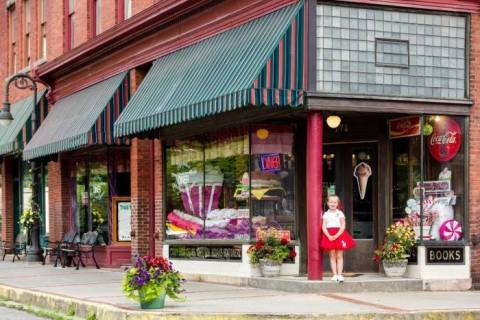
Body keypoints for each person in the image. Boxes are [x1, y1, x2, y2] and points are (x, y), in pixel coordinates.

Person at [320, 195, 356, 282]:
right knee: (332, 255)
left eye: (335, 202)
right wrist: (329, 236)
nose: (333, 204)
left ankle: (340, 274)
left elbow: (343, 226)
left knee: (339, 255)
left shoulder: (340, 213)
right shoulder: (326, 214)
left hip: (339, 234)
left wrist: (336, 235)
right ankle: (334, 274)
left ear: (337, 204)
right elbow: (323, 226)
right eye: (331, 202)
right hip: (329, 235)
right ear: (328, 203)